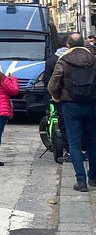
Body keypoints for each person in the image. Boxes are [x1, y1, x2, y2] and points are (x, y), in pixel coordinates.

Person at [48, 33, 96, 192]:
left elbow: (53, 84)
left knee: (74, 144)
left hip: (70, 105)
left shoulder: (63, 61)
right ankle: (93, 178)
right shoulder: (93, 59)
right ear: (83, 43)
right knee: (92, 141)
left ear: (68, 45)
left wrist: (57, 97)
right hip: (91, 104)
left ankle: (81, 181)